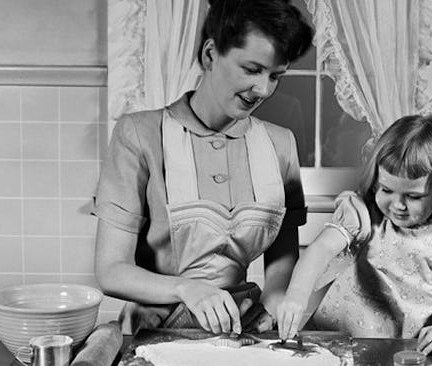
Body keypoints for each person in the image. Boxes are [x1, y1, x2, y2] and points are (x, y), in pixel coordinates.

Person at [93, 0, 313, 336]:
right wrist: (185, 288)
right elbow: (111, 270)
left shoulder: (280, 143)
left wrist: (273, 300)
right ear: (210, 54)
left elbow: (282, 258)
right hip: (152, 333)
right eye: (252, 70)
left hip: (239, 330)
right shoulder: (139, 133)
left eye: (275, 76)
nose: (264, 90)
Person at [277, 115, 432, 356]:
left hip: (401, 350)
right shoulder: (363, 213)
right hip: (338, 340)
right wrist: (295, 296)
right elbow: (320, 250)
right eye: (386, 189)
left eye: (413, 196)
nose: (397, 204)